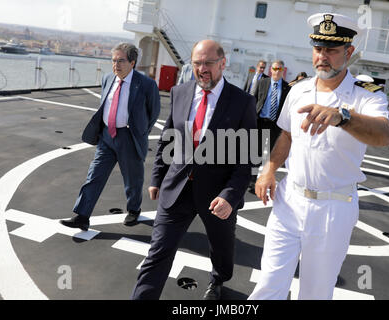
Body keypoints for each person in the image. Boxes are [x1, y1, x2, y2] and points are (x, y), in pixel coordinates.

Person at [248, 13, 389, 300]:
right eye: (318, 49)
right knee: (268, 285)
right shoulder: (298, 90)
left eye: (331, 50)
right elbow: (286, 135)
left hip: (332, 207)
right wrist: (269, 169)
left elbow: (384, 135)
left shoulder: (366, 95)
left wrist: (343, 117)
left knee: (315, 292)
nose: (322, 56)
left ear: (348, 52)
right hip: (289, 200)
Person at [131, 39, 257, 300]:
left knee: (222, 250)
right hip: (177, 189)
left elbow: (249, 158)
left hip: (217, 196)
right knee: (157, 253)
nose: (202, 69)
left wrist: (230, 196)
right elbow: (168, 138)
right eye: (197, 63)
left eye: (209, 63)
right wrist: (157, 177)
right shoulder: (180, 92)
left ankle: (219, 280)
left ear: (223, 63)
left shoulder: (243, 102)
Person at [60, 43, 161, 231]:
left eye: (121, 61)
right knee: (94, 175)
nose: (116, 65)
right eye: (114, 60)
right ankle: (82, 216)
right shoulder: (108, 79)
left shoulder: (146, 84)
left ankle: (134, 209)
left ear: (132, 62)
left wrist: (139, 132)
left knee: (133, 179)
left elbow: (153, 112)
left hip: (129, 137)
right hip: (107, 136)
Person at [249, 60, 291, 191]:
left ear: (283, 71)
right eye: (274, 68)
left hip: (275, 126)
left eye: (279, 69)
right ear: (271, 70)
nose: (277, 71)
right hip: (261, 122)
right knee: (256, 153)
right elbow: (253, 100)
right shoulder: (263, 83)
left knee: (270, 155)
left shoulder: (287, 88)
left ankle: (264, 179)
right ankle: (251, 182)